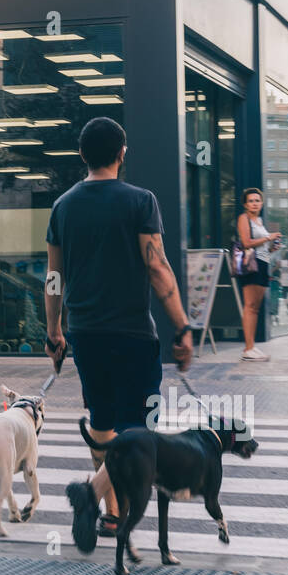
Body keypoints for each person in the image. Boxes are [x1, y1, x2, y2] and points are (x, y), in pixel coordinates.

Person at [44, 117, 193, 551]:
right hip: (131, 334)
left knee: (103, 424)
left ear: (82, 155)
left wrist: (54, 333)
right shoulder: (140, 201)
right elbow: (157, 266)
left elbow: (54, 277)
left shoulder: (63, 206)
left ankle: (111, 514)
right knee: (140, 431)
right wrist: (181, 326)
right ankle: (90, 495)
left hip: (86, 334)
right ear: (122, 153)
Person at [235, 188, 281, 361]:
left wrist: (272, 247)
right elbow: (246, 243)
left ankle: (252, 347)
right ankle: (248, 348)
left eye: (257, 200)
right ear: (245, 204)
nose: (254, 203)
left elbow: (262, 246)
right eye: (251, 201)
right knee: (250, 306)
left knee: (255, 308)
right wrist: (269, 238)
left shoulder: (259, 221)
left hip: (263, 263)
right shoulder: (244, 218)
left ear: (262, 203)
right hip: (251, 264)